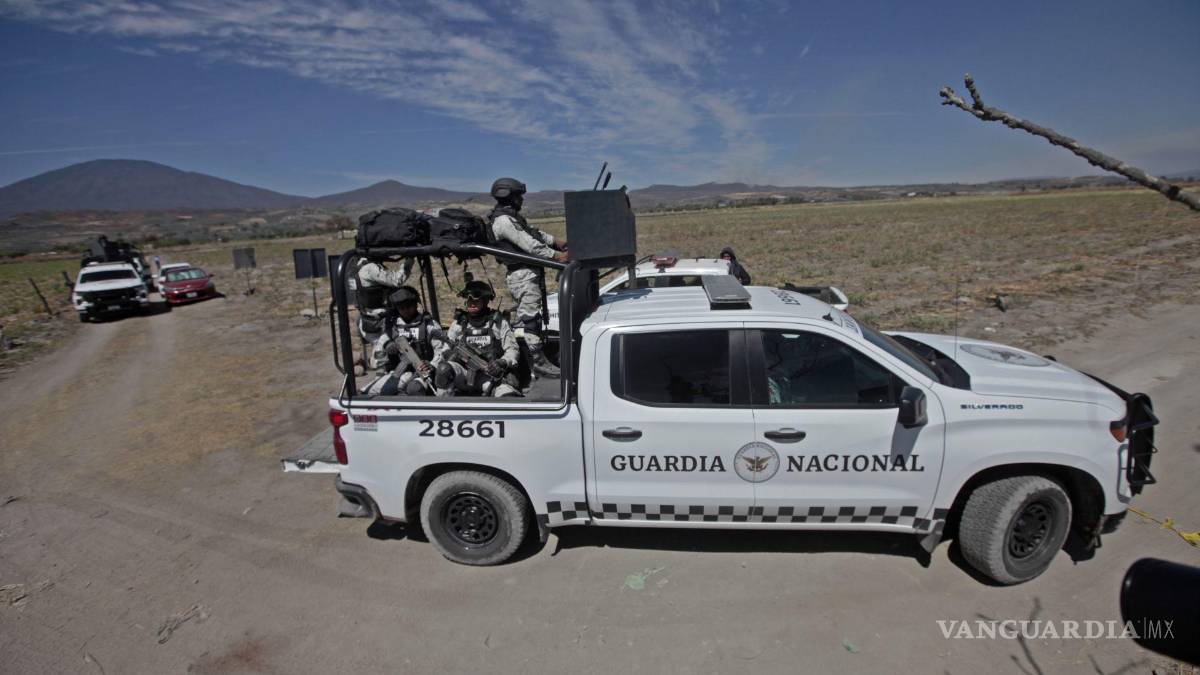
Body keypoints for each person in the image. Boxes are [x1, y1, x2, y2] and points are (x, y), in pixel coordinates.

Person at [487, 177, 568, 378]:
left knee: (534, 317)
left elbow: (533, 233)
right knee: (531, 319)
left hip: (527, 274)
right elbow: (529, 244)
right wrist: (557, 256)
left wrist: (556, 241)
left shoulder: (511, 217)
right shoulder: (503, 221)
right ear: (509, 197)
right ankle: (538, 362)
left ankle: (540, 359)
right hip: (521, 275)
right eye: (518, 196)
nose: (521, 200)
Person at [434, 281, 521, 398]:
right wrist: (452, 354)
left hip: (489, 376)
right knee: (443, 369)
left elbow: (512, 350)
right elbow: (445, 349)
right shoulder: (459, 323)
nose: (472, 303)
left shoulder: (499, 323)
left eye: (476, 300)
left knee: (507, 396)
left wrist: (502, 362)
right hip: (464, 374)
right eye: (469, 300)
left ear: (485, 301)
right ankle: (443, 409)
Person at [365, 286, 448, 396]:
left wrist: (432, 364)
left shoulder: (428, 324)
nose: (405, 310)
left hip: (424, 372)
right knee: (369, 391)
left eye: (408, 306)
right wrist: (388, 345)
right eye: (401, 308)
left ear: (415, 305)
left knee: (414, 388)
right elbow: (381, 344)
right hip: (399, 371)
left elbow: (441, 349)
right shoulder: (394, 326)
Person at [354, 257, 414, 371]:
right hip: (381, 322)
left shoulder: (362, 267)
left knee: (382, 349)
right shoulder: (370, 268)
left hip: (371, 320)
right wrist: (410, 260)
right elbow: (396, 280)